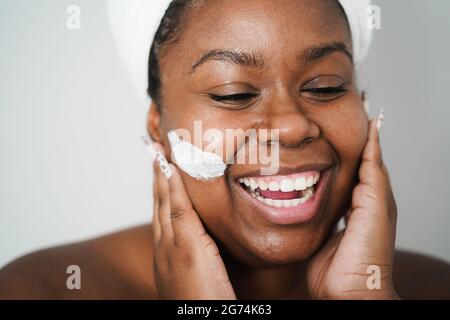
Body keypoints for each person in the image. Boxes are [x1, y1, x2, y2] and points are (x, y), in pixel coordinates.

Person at [1, 0, 449, 299]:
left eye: (326, 85)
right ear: (158, 127)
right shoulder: (41, 289)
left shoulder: (429, 286)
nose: (293, 126)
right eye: (234, 94)